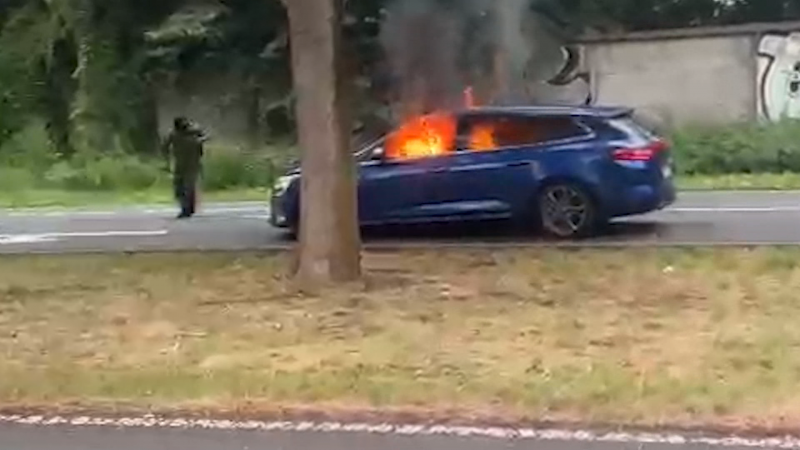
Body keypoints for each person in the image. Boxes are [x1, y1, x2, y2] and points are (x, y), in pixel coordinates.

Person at [162, 117, 209, 219]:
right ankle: (187, 208)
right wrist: (166, 161)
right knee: (181, 188)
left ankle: (187, 209)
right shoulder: (174, 134)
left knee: (188, 187)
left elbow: (204, 139)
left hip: (192, 165)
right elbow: (165, 147)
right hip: (181, 164)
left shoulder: (193, 133)